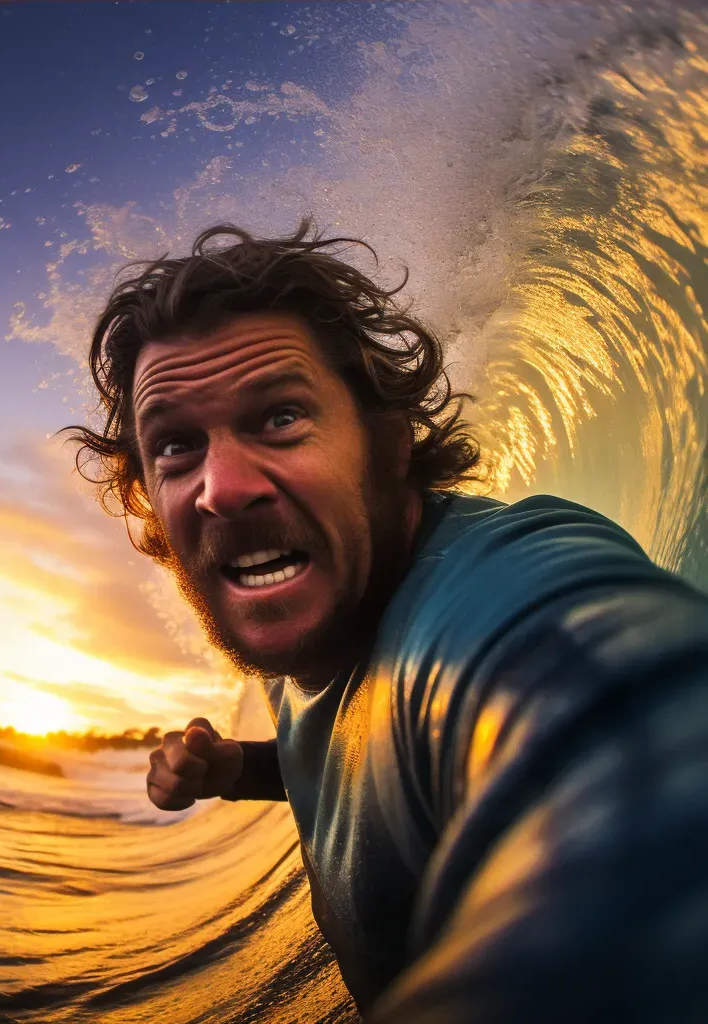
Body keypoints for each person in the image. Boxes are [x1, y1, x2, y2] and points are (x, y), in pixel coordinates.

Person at [63, 220, 708, 1022]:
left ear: (388, 441)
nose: (221, 488)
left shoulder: (496, 590)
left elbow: (637, 737)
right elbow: (348, 750)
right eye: (176, 448)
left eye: (279, 418)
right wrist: (238, 772)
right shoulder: (314, 617)